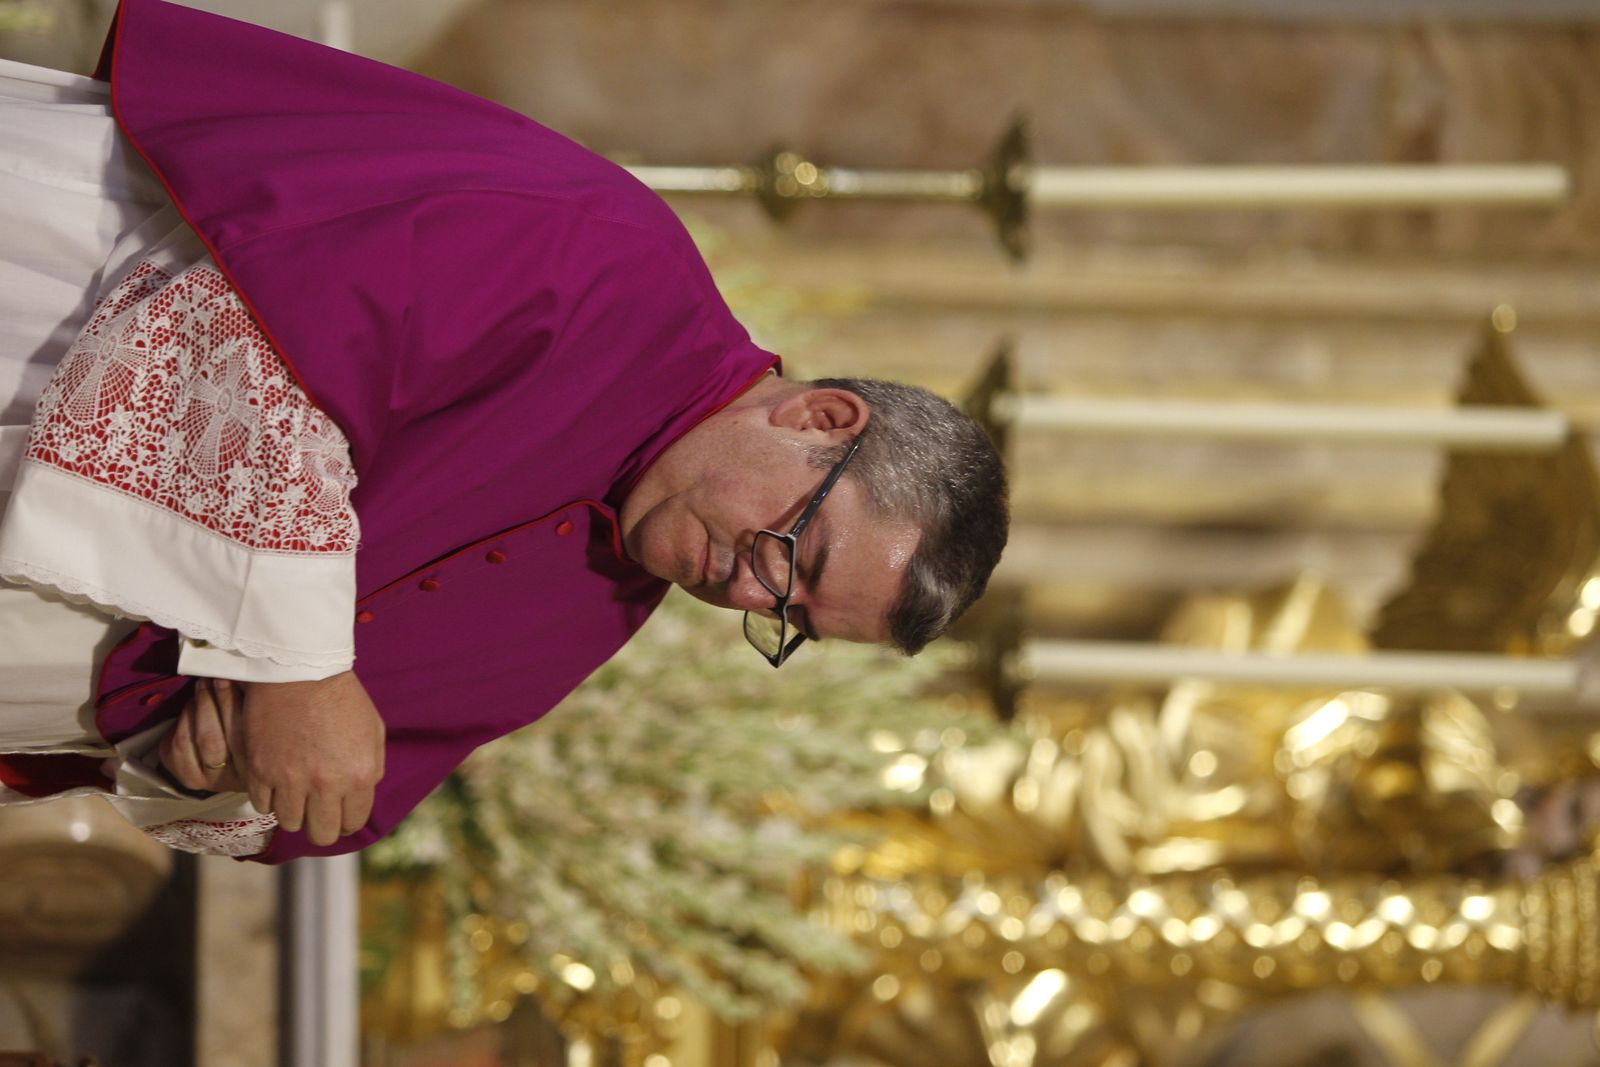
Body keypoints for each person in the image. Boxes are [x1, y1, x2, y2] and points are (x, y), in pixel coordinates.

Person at [0, 0, 1007, 862]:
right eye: (796, 553)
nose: (748, 589)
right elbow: (261, 328)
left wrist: (229, 757)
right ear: (817, 417)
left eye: (783, 618)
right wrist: (293, 663)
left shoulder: (595, 610)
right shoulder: (610, 263)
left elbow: (340, 793)